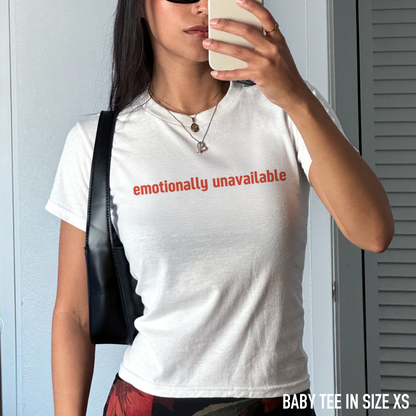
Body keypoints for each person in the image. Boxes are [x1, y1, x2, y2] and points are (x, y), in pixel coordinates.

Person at [46, 0, 394, 415]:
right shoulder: (95, 142)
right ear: (139, 6)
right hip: (150, 397)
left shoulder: (285, 111)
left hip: (275, 398)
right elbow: (74, 315)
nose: (203, 6)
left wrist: (296, 95)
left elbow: (374, 233)